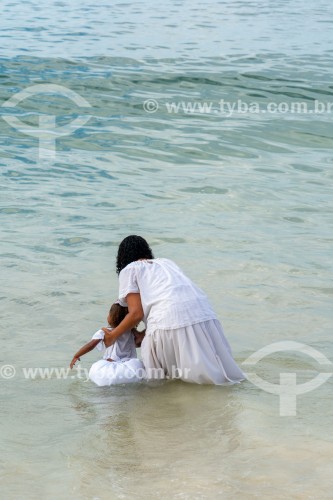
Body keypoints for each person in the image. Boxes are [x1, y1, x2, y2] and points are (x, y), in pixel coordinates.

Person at [102, 235, 245, 385]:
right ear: (147, 251)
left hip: (171, 322)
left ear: (122, 258)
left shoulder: (129, 270)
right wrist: (143, 334)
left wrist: (112, 336)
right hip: (205, 318)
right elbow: (173, 302)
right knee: (215, 380)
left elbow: (137, 313)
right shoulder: (167, 263)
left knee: (159, 384)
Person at [70, 301, 145, 386]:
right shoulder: (131, 331)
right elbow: (139, 341)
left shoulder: (104, 332)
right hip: (130, 367)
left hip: (111, 365)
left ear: (111, 316)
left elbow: (91, 345)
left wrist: (77, 355)